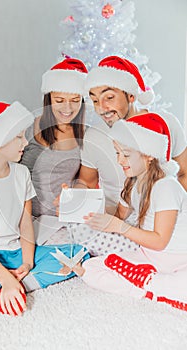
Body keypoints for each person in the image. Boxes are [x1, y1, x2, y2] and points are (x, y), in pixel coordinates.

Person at [0, 101, 89, 316]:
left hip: (17, 251)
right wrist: (4, 276)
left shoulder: (21, 173)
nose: (25, 142)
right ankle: (8, 286)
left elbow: (26, 222)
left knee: (78, 256)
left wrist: (27, 262)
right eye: (18, 137)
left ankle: (16, 284)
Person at [65, 55, 187, 255]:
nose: (101, 109)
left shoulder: (165, 125)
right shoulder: (94, 137)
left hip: (160, 216)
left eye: (109, 98)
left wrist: (176, 217)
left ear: (131, 95)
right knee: (76, 230)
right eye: (95, 100)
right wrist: (74, 200)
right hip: (120, 215)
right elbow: (86, 182)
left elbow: (184, 172)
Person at [74, 113, 187, 312]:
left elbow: (160, 241)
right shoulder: (132, 183)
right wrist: (74, 203)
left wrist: (120, 227)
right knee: (90, 269)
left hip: (178, 257)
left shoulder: (166, 186)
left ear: (149, 155)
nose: (119, 160)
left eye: (125, 155)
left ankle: (154, 284)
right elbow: (117, 217)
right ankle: (150, 289)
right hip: (149, 256)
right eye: (116, 153)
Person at [20, 58, 88, 217]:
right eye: (59, 100)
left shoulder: (85, 136)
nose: (67, 108)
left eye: (75, 100)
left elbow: (86, 181)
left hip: (63, 218)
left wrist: (74, 197)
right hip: (24, 217)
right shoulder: (29, 128)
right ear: (48, 99)